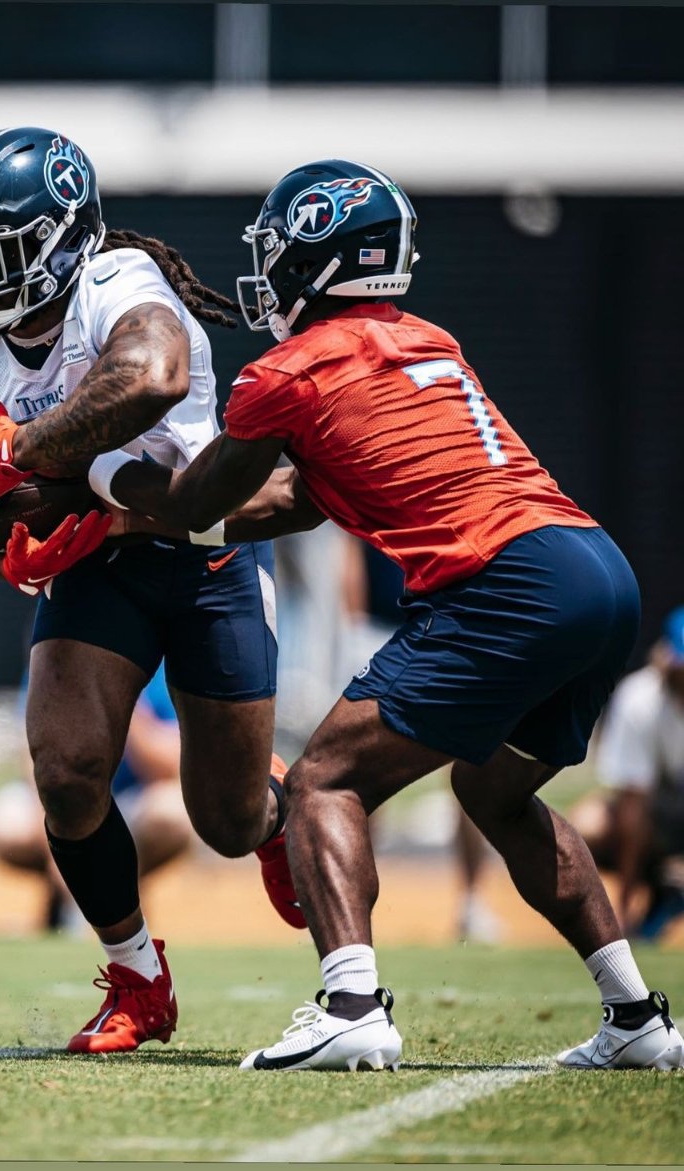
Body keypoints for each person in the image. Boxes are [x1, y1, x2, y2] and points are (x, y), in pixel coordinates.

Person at [90, 159, 684, 1071]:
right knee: (493, 790)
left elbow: (194, 499)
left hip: (507, 578)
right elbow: (300, 500)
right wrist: (139, 506)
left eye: (282, 248)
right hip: (594, 569)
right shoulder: (427, 339)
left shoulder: (289, 369)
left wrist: (90, 479)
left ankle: (351, 1003)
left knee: (324, 779)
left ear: (317, 257)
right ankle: (636, 1016)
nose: (270, 267)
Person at [0, 126, 305, 1056]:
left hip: (199, 544)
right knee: (67, 776)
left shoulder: (121, 286)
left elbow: (150, 379)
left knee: (226, 816)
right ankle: (137, 978)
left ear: (60, 240)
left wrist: (24, 449)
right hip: (94, 562)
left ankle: (283, 819)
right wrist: (7, 554)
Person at [342, 539, 502, 944]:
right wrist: (353, 625)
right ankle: (352, 905)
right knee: (353, 770)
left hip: (446, 627)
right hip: (379, 628)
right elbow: (349, 549)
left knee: (469, 766)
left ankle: (471, 901)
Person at [0, 663, 193, 932]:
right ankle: (67, 897)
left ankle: (125, 899)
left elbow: (170, 767)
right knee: (7, 824)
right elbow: (33, 761)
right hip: (64, 803)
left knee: (170, 812)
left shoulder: (162, 664)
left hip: (129, 802)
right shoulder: (55, 649)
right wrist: (54, 848)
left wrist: (121, 702)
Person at [570, 606, 684, 941]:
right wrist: (623, 909)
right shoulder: (639, 699)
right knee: (587, 826)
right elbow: (633, 804)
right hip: (660, 814)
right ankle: (652, 892)